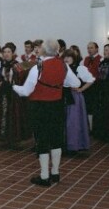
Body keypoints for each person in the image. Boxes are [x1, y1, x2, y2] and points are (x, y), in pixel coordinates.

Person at [13, 40, 80, 187]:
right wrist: (61, 84)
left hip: (39, 107)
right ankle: (55, 173)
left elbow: (26, 91)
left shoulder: (38, 67)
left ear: (43, 50)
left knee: (42, 139)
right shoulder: (63, 65)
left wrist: (14, 87)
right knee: (56, 139)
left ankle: (44, 176)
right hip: (56, 106)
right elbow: (76, 84)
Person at [0, 43, 30, 150]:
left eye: (8, 52)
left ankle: (14, 138)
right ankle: (4, 138)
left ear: (13, 53)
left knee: (14, 113)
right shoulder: (0, 64)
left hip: (14, 93)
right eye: (4, 52)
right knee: (3, 113)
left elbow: (27, 74)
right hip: (3, 92)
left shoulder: (18, 64)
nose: (6, 54)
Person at [62, 49, 94, 154]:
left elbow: (91, 80)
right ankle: (64, 144)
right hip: (62, 95)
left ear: (73, 58)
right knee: (63, 121)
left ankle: (74, 145)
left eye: (69, 57)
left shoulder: (79, 68)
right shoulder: (62, 68)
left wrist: (81, 89)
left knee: (73, 122)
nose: (66, 59)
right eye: (65, 57)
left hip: (74, 97)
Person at [81, 42, 102, 133]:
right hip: (86, 86)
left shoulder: (101, 59)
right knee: (87, 107)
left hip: (96, 86)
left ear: (97, 49)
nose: (89, 50)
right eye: (88, 48)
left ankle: (94, 128)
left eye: (91, 48)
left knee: (95, 107)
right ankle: (89, 128)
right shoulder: (86, 59)